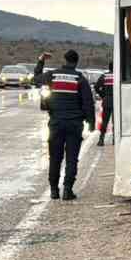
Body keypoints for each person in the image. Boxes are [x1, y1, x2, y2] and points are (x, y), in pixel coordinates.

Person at [33, 49, 95, 200]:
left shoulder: (53, 75)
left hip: (56, 123)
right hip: (74, 124)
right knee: (72, 158)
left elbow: (36, 79)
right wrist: (91, 122)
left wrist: (41, 60)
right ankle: (67, 190)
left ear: (65, 60)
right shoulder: (80, 78)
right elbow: (88, 102)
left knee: (55, 157)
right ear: (76, 62)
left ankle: (54, 190)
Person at [94, 63, 114, 146]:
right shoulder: (119, 75)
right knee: (116, 121)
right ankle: (115, 139)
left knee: (105, 121)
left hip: (107, 100)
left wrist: (103, 95)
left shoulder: (104, 76)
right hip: (117, 101)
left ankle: (101, 139)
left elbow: (96, 87)